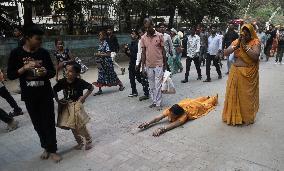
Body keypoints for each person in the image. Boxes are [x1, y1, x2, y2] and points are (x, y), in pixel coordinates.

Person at [7, 24, 61, 162]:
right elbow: (11, 75)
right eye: (37, 39)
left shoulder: (43, 52)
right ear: (28, 38)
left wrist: (45, 72)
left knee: (49, 122)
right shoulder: (16, 53)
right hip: (29, 96)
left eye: (41, 39)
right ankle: (45, 147)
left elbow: (52, 72)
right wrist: (24, 68)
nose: (40, 42)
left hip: (45, 94)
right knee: (38, 124)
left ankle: (53, 150)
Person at [222, 24, 260, 126]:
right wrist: (236, 45)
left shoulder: (255, 42)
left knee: (246, 97)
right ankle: (235, 117)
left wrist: (245, 47)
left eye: (247, 35)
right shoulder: (237, 42)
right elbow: (225, 53)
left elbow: (255, 56)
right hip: (235, 72)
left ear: (251, 34)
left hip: (248, 74)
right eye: (243, 35)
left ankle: (246, 117)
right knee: (234, 96)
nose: (245, 37)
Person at [53, 62, 94, 150]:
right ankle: (79, 142)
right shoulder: (62, 82)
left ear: (77, 73)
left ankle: (88, 140)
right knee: (72, 126)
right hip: (67, 105)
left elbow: (91, 88)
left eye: (70, 71)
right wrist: (57, 100)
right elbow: (54, 90)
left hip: (77, 105)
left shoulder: (80, 82)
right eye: (66, 70)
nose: (67, 72)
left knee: (80, 124)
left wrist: (83, 98)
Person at [138, 95, 218, 136]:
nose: (170, 116)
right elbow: (158, 118)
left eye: (172, 116)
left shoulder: (183, 116)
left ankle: (212, 98)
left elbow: (174, 125)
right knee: (198, 99)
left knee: (207, 103)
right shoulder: (170, 110)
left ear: (177, 116)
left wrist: (161, 129)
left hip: (195, 108)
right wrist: (148, 123)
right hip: (186, 103)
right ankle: (205, 97)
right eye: (170, 114)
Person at [141, 18, 166, 110]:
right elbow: (143, 53)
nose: (147, 29)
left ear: (152, 25)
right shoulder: (143, 37)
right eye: (146, 28)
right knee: (151, 85)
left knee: (158, 85)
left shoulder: (159, 36)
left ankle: (158, 104)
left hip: (159, 64)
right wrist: (143, 67)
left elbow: (163, 51)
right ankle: (154, 101)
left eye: (149, 27)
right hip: (148, 65)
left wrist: (165, 65)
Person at [93, 31, 125, 95]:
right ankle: (100, 89)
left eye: (100, 35)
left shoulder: (106, 44)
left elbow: (108, 54)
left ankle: (121, 85)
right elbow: (100, 52)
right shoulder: (100, 44)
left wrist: (99, 55)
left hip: (107, 63)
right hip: (101, 63)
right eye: (99, 35)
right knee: (101, 75)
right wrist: (98, 54)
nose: (99, 36)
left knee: (112, 75)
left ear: (104, 36)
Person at [135, 29, 150, 101]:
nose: (140, 34)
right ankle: (147, 91)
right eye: (139, 33)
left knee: (145, 77)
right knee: (141, 78)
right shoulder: (140, 41)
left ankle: (147, 93)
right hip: (141, 63)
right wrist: (137, 63)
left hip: (148, 62)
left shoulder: (148, 40)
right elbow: (139, 53)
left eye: (141, 32)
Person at [124, 30, 139, 97]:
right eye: (131, 34)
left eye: (133, 34)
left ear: (136, 36)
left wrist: (130, 53)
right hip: (132, 63)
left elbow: (137, 56)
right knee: (131, 78)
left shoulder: (138, 44)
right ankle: (134, 91)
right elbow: (129, 55)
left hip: (137, 64)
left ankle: (148, 88)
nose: (131, 35)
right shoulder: (131, 43)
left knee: (139, 78)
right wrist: (126, 50)